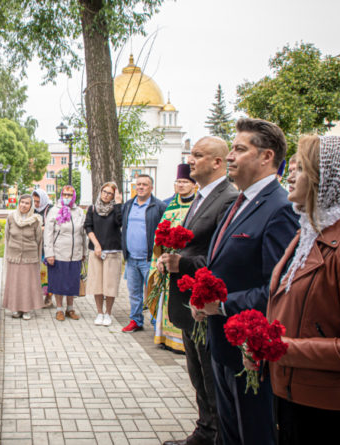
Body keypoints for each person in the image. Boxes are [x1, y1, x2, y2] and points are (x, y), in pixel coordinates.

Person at [260, 135, 340, 444]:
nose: (289, 175)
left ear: (326, 178)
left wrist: (282, 348)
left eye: (300, 168)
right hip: (294, 396)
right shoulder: (307, 232)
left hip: (332, 410)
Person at [194, 118, 299, 445]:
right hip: (222, 344)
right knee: (230, 434)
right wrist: (203, 299)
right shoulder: (239, 201)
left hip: (249, 351)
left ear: (266, 156)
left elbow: (278, 288)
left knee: (253, 433)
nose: (230, 156)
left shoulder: (280, 208)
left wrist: (222, 305)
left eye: (240, 149)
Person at [157, 137, 238, 445]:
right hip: (188, 305)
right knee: (198, 376)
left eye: (198, 155)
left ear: (218, 162)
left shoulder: (228, 198)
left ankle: (216, 434)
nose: (190, 160)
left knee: (210, 377)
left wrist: (183, 263)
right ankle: (204, 430)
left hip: (206, 304)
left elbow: (223, 256)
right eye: (191, 154)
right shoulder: (200, 198)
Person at [148, 164, 196, 351]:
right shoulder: (170, 207)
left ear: (193, 184)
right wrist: (161, 254)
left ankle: (184, 341)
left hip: (187, 263)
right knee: (167, 300)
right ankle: (166, 338)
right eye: (178, 181)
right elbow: (159, 234)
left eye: (185, 181)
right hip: (168, 262)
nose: (181, 185)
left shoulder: (196, 207)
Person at [121, 174, 167, 332]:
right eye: (138, 184)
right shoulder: (128, 205)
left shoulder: (159, 206)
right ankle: (136, 320)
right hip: (131, 259)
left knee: (154, 292)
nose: (140, 187)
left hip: (150, 259)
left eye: (144, 185)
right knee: (134, 293)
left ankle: (156, 323)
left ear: (151, 187)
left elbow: (165, 231)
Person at [44, 185, 87, 321]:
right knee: (59, 283)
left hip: (75, 254)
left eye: (70, 195)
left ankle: (70, 309)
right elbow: (48, 233)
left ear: (74, 196)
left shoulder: (79, 211)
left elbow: (83, 234)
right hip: (59, 253)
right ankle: (59, 309)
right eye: (65, 194)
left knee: (72, 282)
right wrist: (49, 253)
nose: (67, 197)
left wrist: (84, 252)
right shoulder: (54, 211)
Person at [84, 181, 124, 327]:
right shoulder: (93, 208)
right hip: (96, 251)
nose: (106, 195)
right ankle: (99, 312)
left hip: (113, 250)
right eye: (105, 192)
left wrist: (119, 204)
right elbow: (88, 227)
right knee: (97, 284)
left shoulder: (116, 209)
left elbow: (120, 223)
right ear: (100, 192)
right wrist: (97, 245)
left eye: (110, 194)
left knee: (110, 284)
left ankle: (108, 313)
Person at [2, 194, 44, 320]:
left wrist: (37, 257)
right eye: (22, 202)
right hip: (14, 255)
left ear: (31, 206)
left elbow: (38, 240)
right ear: (18, 203)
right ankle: (15, 308)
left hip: (29, 256)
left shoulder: (36, 220)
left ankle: (26, 310)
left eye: (27, 203)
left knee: (27, 284)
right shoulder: (11, 217)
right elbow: (7, 236)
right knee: (15, 283)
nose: (24, 205)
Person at [33, 188, 54, 307]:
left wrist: (42, 228)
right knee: (38, 274)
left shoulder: (50, 209)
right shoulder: (33, 210)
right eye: (34, 201)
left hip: (48, 247)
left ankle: (49, 297)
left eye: (38, 201)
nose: (36, 204)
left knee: (49, 274)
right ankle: (38, 297)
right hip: (36, 247)